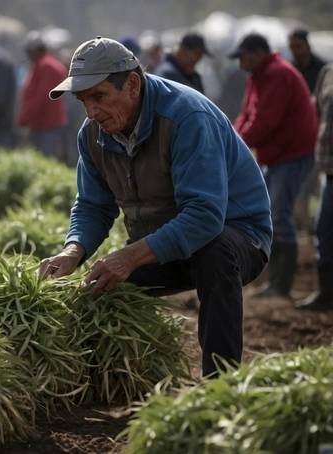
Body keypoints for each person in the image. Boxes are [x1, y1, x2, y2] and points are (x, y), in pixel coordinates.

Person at [38, 37, 272, 377]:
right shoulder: (93, 135)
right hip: (164, 245)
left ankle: (221, 383)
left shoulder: (186, 117)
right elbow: (92, 205)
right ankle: (120, 379)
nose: (91, 111)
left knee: (215, 252)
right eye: (83, 100)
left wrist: (130, 256)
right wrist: (73, 251)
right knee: (100, 285)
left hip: (239, 238)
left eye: (99, 96)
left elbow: (205, 217)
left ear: (132, 84)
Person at [231, 33, 318, 299]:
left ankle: (282, 286)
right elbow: (247, 114)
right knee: (268, 213)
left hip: (292, 153)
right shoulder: (258, 76)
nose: (239, 63)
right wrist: (231, 138)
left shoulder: (277, 74)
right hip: (277, 154)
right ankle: (273, 282)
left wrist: (237, 145)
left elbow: (265, 121)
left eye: (242, 56)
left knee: (280, 215)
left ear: (257, 53)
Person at [298, 63, 333, 311]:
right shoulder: (327, 73)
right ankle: (326, 293)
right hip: (328, 169)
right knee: (324, 230)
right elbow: (317, 112)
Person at [18, 32, 68, 158]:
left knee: (46, 160)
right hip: (41, 124)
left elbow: (43, 96)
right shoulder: (42, 65)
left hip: (47, 125)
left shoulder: (47, 66)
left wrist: (25, 117)